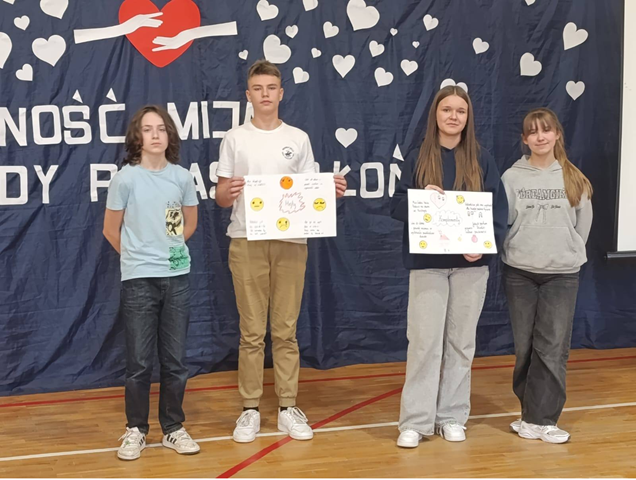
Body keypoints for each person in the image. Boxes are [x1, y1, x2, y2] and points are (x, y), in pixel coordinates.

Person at [215, 59, 347, 443]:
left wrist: (329, 190)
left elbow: (310, 193)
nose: (265, 94)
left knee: (286, 330)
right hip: (246, 239)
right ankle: (250, 409)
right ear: (248, 95)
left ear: (281, 93)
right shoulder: (234, 139)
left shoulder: (298, 138)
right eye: (258, 88)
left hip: (291, 242)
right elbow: (220, 196)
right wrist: (228, 192)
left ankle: (288, 407)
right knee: (252, 332)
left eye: (271, 88)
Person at [390, 86, 508, 448]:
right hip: (428, 265)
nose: (453, 116)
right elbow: (395, 206)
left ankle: (452, 416)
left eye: (460, 110)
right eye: (447, 109)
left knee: (461, 343)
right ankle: (416, 421)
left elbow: (498, 212)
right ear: (435, 115)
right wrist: (419, 201)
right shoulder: (417, 156)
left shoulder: (482, 158)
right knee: (424, 343)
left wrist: (483, 247)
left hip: (471, 267)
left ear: (468, 117)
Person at [103, 105, 200, 460]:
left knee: (175, 361)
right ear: (137, 137)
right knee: (140, 362)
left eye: (161, 128)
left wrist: (168, 251)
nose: (155, 135)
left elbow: (187, 224)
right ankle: (136, 429)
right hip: (139, 281)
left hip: (177, 280)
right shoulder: (125, 179)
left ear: (169, 135)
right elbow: (110, 230)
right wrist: (138, 258)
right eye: (147, 129)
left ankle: (173, 428)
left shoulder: (182, 178)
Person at [502, 107, 593, 444]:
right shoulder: (511, 178)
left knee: (552, 347)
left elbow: (582, 227)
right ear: (525, 139)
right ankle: (529, 415)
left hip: (561, 275)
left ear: (557, 135)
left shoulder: (575, 178)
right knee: (525, 348)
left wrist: (566, 252)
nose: (540, 137)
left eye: (546, 130)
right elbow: (503, 222)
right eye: (533, 132)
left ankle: (544, 420)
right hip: (520, 273)